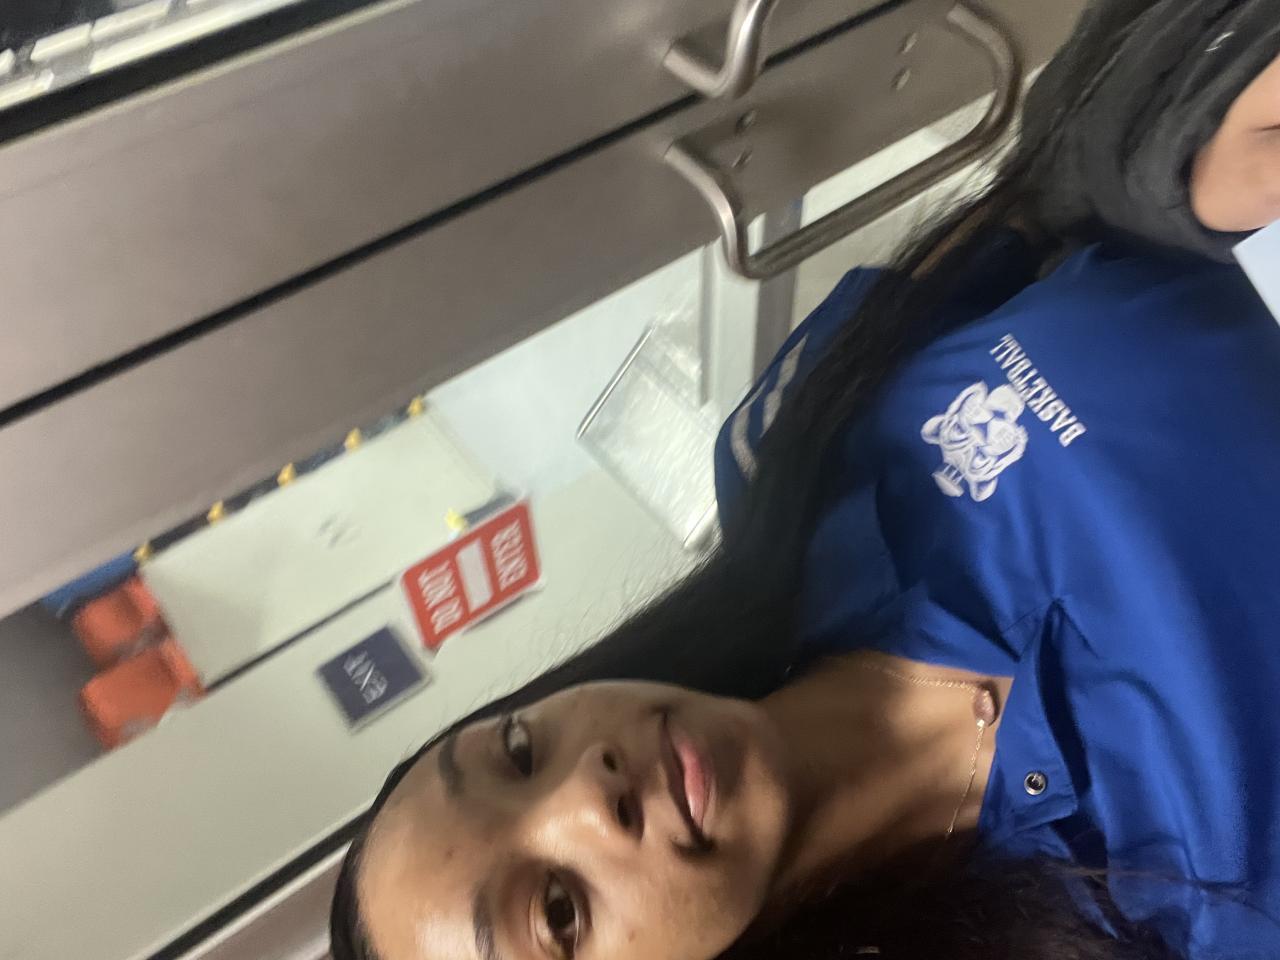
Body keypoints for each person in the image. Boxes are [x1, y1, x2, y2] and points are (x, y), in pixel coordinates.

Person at [331, 2, 1280, 959]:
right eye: (557, 912)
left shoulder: (788, 449)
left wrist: (1187, 148)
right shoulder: (1135, 927)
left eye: (519, 752)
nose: (585, 792)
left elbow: (1049, 192)